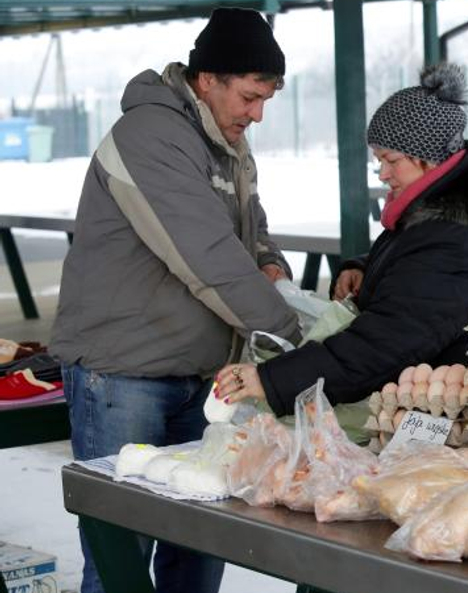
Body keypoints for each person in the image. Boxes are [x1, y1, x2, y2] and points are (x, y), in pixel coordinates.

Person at [50, 8, 299, 593]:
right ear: (206, 79)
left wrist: (272, 266)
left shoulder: (226, 141)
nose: (257, 113)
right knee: (122, 556)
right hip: (125, 375)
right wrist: (296, 337)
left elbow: (249, 228)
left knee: (200, 544)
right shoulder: (150, 136)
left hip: (203, 375)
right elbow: (207, 257)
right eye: (249, 96)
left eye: (266, 99)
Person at [215, 62, 468, 414]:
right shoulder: (454, 204)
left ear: (430, 158)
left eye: (390, 160)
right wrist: (366, 266)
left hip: (463, 417)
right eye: (378, 160)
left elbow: (385, 343)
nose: (383, 174)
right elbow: (419, 265)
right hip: (449, 403)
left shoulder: (461, 235)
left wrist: (272, 380)